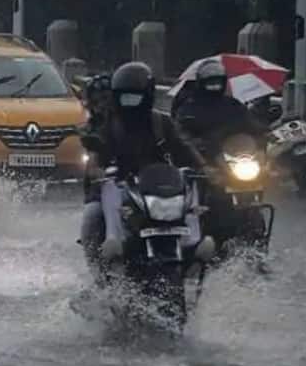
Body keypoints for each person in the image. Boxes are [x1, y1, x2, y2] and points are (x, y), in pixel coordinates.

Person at [83, 62, 212, 261]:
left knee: (189, 181)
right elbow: (95, 153)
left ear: (148, 95)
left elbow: (185, 148)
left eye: (135, 97)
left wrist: (204, 168)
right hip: (123, 186)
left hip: (161, 188)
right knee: (92, 213)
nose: (130, 103)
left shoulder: (162, 122)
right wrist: (96, 169)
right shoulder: (108, 125)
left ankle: (194, 242)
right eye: (125, 98)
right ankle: (112, 242)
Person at [174, 59, 270, 248]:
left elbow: (254, 129)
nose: (214, 85)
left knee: (255, 191)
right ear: (201, 82)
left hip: (233, 162)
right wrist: (202, 155)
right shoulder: (189, 109)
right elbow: (182, 137)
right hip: (204, 166)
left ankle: (257, 248)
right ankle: (194, 240)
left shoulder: (234, 106)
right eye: (210, 81)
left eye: (217, 81)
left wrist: (260, 150)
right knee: (191, 199)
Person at [77, 74, 114, 272]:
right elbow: (93, 158)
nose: (103, 105)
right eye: (98, 100)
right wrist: (97, 171)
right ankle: (96, 273)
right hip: (104, 189)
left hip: (141, 185)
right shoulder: (92, 128)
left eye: (107, 98)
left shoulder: (145, 121)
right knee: (92, 218)